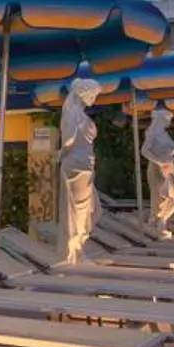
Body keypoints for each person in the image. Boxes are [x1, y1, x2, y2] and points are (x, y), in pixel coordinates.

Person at [59, 77, 103, 263]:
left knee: (92, 210)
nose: (94, 98)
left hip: (85, 164)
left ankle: (78, 249)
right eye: (93, 94)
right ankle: (75, 251)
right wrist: (61, 154)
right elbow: (68, 140)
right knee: (81, 210)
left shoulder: (78, 114)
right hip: (77, 165)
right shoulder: (72, 114)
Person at [143, 105, 174, 236]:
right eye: (167, 119)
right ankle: (156, 223)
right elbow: (144, 151)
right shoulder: (152, 132)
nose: (169, 122)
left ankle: (161, 222)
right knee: (160, 197)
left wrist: (169, 152)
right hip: (157, 168)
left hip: (167, 168)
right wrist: (159, 161)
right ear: (161, 119)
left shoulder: (163, 134)